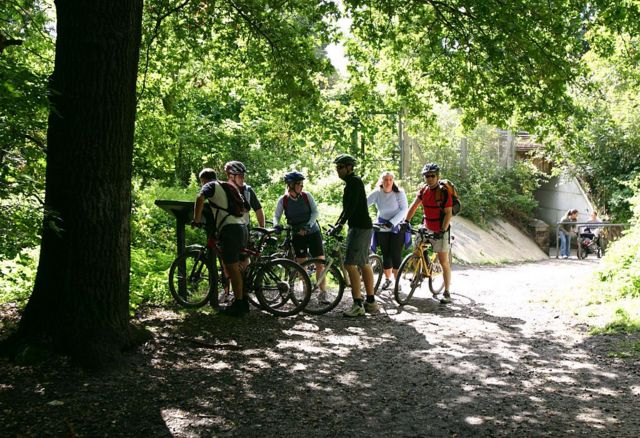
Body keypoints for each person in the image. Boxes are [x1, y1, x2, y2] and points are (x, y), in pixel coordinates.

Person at [193, 168, 249, 316]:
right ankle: (244, 302)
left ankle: (238, 305)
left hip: (230, 229)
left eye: (201, 182)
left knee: (231, 267)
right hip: (242, 227)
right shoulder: (227, 185)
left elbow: (199, 198)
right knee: (237, 266)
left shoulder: (210, 185)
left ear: (203, 180)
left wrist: (196, 220)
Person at [329, 154, 379, 317]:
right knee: (364, 263)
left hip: (359, 228)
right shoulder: (351, 183)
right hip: (361, 226)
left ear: (349, 167)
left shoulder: (354, 183)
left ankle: (358, 304)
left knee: (350, 264)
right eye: (337, 167)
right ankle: (371, 302)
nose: (338, 170)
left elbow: (351, 206)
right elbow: (347, 209)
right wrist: (339, 223)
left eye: (341, 167)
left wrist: (340, 224)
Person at [273, 171, 328, 303]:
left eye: (302, 183)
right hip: (297, 234)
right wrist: (276, 225)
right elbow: (276, 215)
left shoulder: (306, 196)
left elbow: (315, 212)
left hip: (313, 231)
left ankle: (323, 292)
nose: (301, 186)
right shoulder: (284, 200)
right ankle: (306, 292)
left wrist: (307, 226)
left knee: (320, 262)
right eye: (298, 184)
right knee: (301, 264)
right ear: (290, 185)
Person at [405, 162, 453, 304]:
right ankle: (423, 267)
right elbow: (414, 206)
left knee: (444, 261)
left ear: (437, 177)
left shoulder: (444, 192)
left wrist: (442, 230)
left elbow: (448, 213)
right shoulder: (424, 191)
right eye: (427, 176)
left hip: (441, 228)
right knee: (416, 250)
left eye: (432, 176)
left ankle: (447, 292)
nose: (429, 178)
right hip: (426, 225)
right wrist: (405, 221)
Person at [367, 171, 409, 290]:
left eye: (390, 179)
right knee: (386, 254)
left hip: (396, 226)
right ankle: (387, 279)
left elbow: (404, 209)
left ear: (393, 181)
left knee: (395, 254)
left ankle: (397, 282)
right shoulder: (377, 193)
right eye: (385, 179)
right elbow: (364, 204)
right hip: (382, 225)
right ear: (381, 181)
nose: (388, 182)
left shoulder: (399, 193)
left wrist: (392, 223)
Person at [224, 161, 265, 228]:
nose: (243, 178)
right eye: (240, 176)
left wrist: (262, 228)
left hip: (244, 231)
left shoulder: (248, 191)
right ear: (231, 177)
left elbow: (258, 209)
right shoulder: (223, 190)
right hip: (226, 231)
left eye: (243, 175)